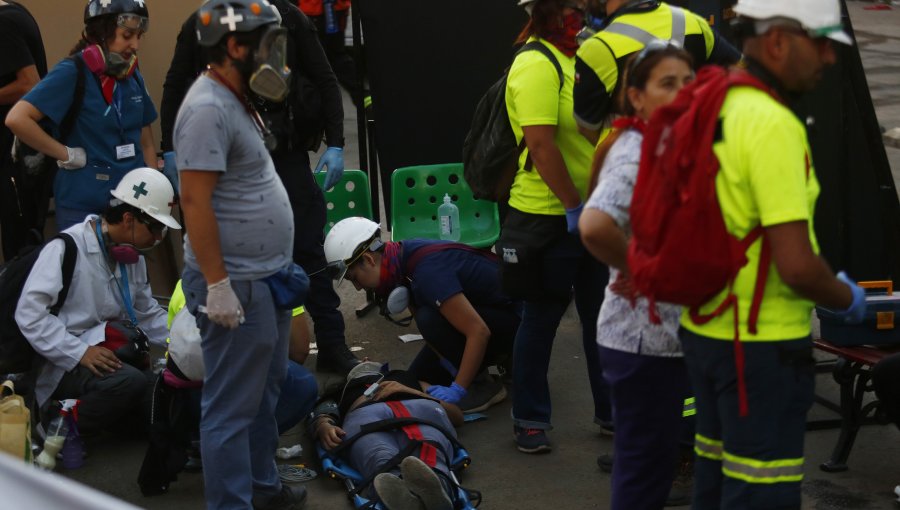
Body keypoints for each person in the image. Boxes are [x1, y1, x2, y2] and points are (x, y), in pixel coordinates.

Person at [677, 1, 867, 507]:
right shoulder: (772, 123)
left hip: (705, 331)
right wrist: (844, 295)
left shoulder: (710, 100)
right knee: (761, 493)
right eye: (822, 43)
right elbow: (797, 266)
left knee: (715, 482)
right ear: (779, 41)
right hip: (760, 347)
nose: (829, 58)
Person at [160, 0, 360, 375]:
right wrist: (168, 150)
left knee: (307, 252)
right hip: (230, 165)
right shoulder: (203, 23)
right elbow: (176, 83)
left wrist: (335, 142)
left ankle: (332, 343)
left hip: (284, 154)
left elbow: (324, 77)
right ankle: (247, 355)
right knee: (238, 255)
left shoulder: (286, 15)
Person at [175, 1, 311, 507]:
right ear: (235, 47)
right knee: (232, 407)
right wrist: (217, 285)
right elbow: (194, 200)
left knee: (264, 393)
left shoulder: (235, 98)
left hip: (265, 277)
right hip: (237, 284)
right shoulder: (208, 107)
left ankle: (261, 489)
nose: (276, 54)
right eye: (267, 43)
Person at [579, 41, 694, 509]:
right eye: (668, 83)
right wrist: (642, 269)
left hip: (663, 338)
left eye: (689, 82)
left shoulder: (663, 143)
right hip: (643, 343)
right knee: (644, 473)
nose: (683, 92)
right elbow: (595, 223)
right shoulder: (637, 151)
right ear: (636, 97)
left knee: (650, 464)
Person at [501, 0, 610, 454]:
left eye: (583, 6)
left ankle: (612, 412)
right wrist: (572, 205)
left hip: (591, 215)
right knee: (541, 318)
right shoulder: (535, 63)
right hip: (547, 218)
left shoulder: (574, 58)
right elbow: (541, 145)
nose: (579, 15)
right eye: (570, 7)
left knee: (601, 320)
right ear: (544, 12)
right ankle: (529, 419)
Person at [15, 167, 179, 437]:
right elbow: (29, 315)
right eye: (156, 227)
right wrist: (80, 352)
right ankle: (54, 427)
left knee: (159, 391)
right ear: (129, 219)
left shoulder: (131, 258)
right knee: (128, 383)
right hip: (65, 359)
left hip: (111, 352)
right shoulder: (67, 248)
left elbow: (147, 314)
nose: (159, 237)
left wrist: (188, 343)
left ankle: (98, 421)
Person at [323, 217, 516, 413]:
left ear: (369, 259)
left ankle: (483, 385)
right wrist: (449, 365)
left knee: (428, 319)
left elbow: (479, 331)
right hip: (485, 313)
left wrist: (459, 388)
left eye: (354, 278)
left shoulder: (427, 272)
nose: (357, 287)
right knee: (414, 379)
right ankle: (472, 372)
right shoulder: (399, 259)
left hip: (513, 323)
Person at [5, 0, 157, 230]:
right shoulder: (72, 72)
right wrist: (65, 154)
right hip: (86, 206)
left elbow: (145, 140)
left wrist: (153, 184)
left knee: (131, 265)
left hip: (131, 202)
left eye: (139, 36)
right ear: (102, 34)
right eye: (127, 35)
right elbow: (17, 118)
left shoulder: (131, 75)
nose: (135, 45)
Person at [573, 0, 740, 144]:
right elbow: (739, 69)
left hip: (632, 167)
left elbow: (587, 127)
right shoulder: (693, 22)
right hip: (696, 157)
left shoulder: (596, 48)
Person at [311, 361, 468, 510]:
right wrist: (324, 425)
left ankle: (430, 488)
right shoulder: (341, 390)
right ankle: (427, 490)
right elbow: (322, 414)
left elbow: (456, 416)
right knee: (391, 454)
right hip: (377, 413)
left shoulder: (406, 376)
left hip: (408, 409)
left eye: (367, 358)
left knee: (419, 451)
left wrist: (423, 395)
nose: (365, 359)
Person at [0, 0, 48, 261]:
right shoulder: (16, 13)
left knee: (20, 246)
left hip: (17, 156)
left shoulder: (4, 22)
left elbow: (30, 84)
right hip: (24, 155)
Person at [296, 0, 363, 104]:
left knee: (312, 61)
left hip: (315, 10)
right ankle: (363, 97)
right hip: (336, 8)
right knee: (336, 57)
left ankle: (314, 107)